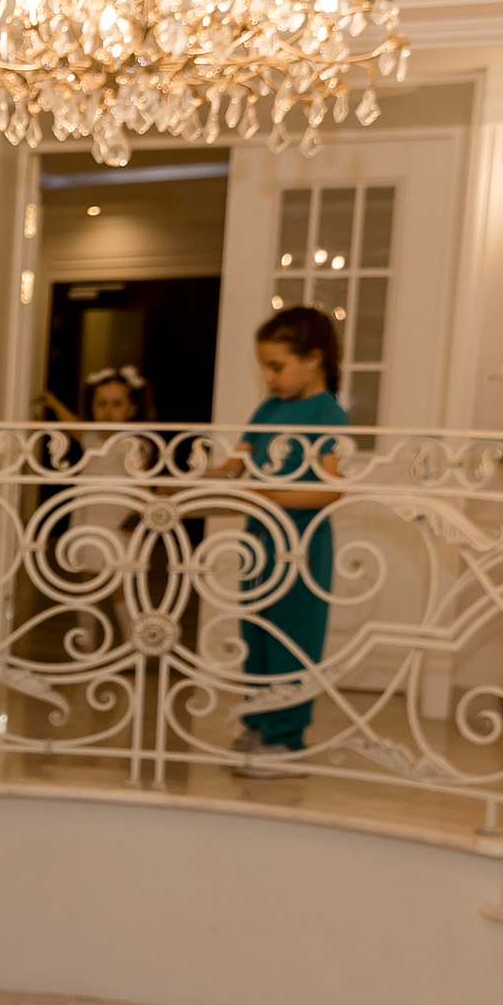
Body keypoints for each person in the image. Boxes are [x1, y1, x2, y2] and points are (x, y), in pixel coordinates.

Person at [218, 306, 349, 776]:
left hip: (302, 545)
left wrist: (266, 494)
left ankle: (287, 739)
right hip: (258, 543)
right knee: (255, 634)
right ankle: (258, 723)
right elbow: (233, 468)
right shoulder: (267, 410)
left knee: (293, 639)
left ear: (313, 359)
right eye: (264, 368)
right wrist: (180, 484)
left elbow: (331, 490)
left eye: (277, 366)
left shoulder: (329, 414)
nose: (269, 378)